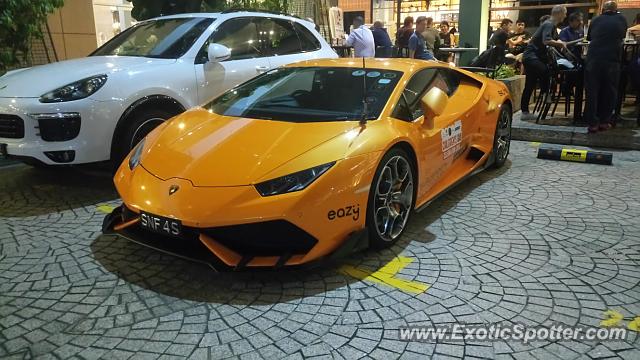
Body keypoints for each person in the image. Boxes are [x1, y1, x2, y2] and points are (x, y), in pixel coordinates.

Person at [583, 1, 627, 133]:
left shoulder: (596, 19)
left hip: (594, 58)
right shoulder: (622, 19)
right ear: (616, 9)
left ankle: (592, 123)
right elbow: (622, 36)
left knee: (592, 91)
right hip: (612, 59)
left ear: (603, 9)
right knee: (609, 91)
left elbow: (590, 37)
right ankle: (604, 121)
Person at [520, 5, 568, 119]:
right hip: (531, 57)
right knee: (545, 71)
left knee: (530, 85)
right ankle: (546, 94)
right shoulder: (549, 24)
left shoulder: (552, 25)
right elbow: (546, 41)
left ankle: (525, 112)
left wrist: (559, 42)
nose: (565, 16)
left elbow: (554, 39)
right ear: (560, 13)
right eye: (565, 13)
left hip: (532, 57)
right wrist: (560, 44)